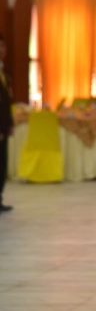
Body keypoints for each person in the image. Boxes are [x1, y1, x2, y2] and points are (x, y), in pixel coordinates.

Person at [0, 35, 13, 214]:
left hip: (3, 126)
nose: (2, 50)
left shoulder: (4, 71)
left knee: (3, 163)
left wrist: (9, 124)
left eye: (3, 47)